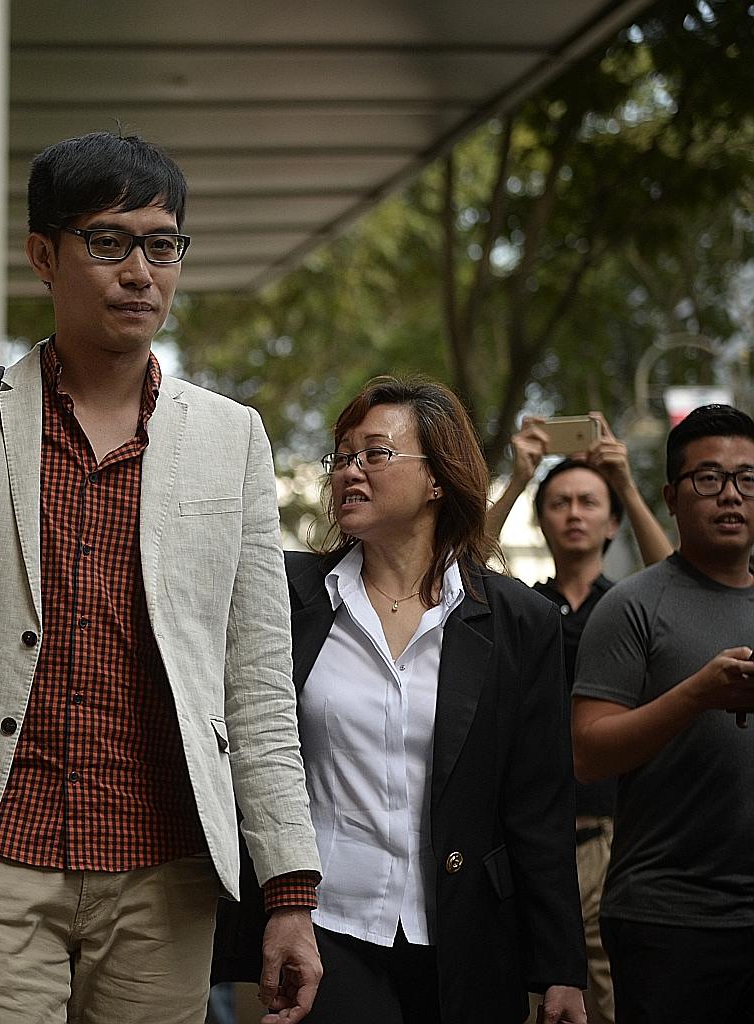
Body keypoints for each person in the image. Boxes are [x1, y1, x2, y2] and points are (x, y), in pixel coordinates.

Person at [0, 130, 322, 1024]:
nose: (141, 270)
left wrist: (289, 888)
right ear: (43, 256)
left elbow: (254, 678)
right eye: (109, 241)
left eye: (162, 244)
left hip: (166, 864)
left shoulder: (230, 438)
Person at [288, 375, 586, 1023]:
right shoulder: (292, 599)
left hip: (471, 936)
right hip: (325, 930)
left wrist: (562, 967)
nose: (349, 472)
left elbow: (539, 804)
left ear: (438, 479)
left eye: (375, 453)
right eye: (340, 457)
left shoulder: (519, 621)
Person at [487, 415, 673, 1024]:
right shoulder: (523, 606)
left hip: (609, 829)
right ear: (541, 519)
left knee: (604, 990)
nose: (574, 513)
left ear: (612, 520)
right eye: (559, 502)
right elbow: (456, 569)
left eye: (590, 502)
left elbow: (681, 591)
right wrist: (517, 478)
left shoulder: (634, 610)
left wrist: (626, 481)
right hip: (525, 829)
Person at [572, 403, 754, 1024]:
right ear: (672, 497)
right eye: (709, 478)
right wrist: (698, 694)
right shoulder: (632, 607)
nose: (731, 495)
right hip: (666, 917)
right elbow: (589, 753)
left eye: (747, 479)